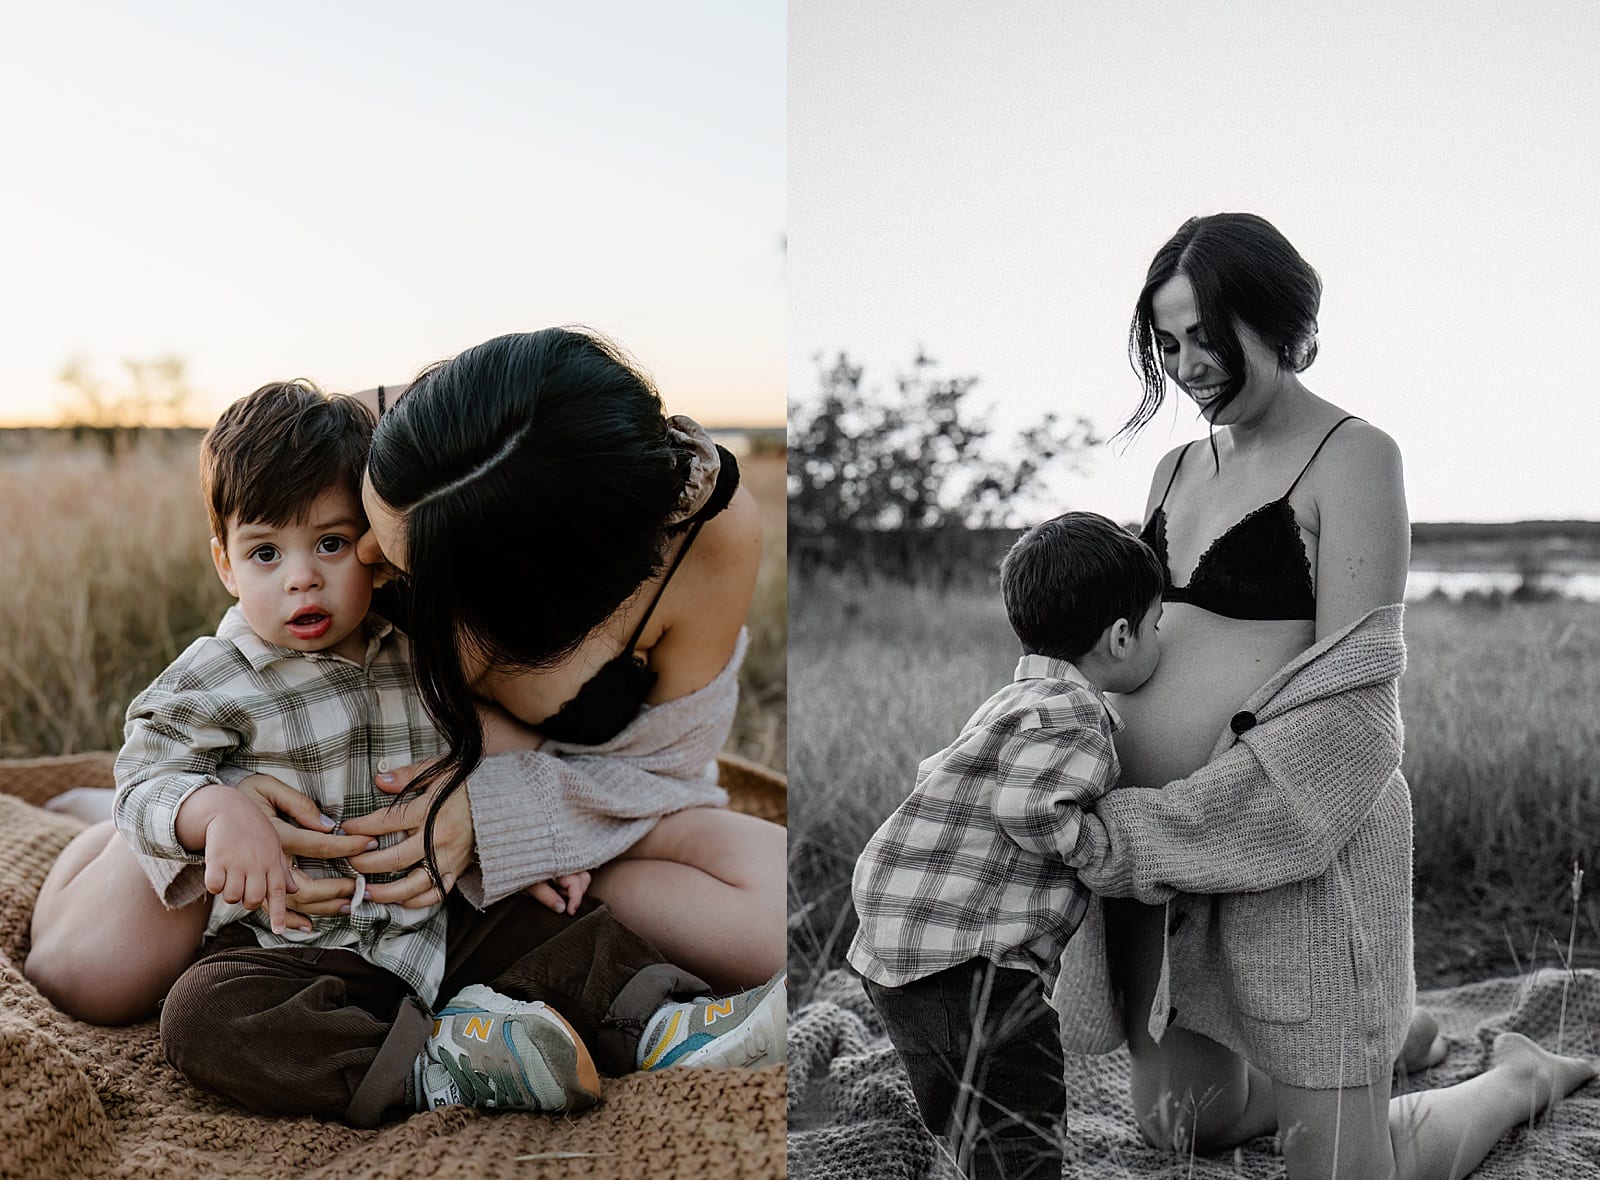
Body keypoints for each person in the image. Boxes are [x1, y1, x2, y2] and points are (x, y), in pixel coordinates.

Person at [66, 380, 785, 1123]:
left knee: (570, 933)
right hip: (301, 944)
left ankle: (665, 1022)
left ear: (370, 552)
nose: (303, 574)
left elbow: (485, 746)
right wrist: (212, 808)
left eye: (330, 545)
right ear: (225, 564)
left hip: (439, 915)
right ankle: (438, 1063)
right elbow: (146, 773)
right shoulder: (213, 676)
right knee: (208, 1013)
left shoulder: (413, 653)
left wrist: (544, 833)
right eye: (265, 553)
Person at [1050, 213, 1595, 1179]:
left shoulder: (1354, 455)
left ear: (1277, 319)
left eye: (1207, 339)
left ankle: (1517, 1074)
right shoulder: (1175, 468)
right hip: (1168, 880)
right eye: (1167, 343)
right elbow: (1119, 646)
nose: (1187, 366)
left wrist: (1160, 829)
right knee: (1180, 1128)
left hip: (1295, 840)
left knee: (1337, 1175)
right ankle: (1398, 1045)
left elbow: (1352, 697)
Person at [848, 512, 1165, 1180]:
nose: (1159, 637)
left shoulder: (1012, 701)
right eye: (1157, 625)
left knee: (966, 1118)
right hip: (971, 962)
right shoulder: (1076, 714)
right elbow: (1027, 808)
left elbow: (935, 777)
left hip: (903, 947)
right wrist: (1095, 846)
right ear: (1121, 635)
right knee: (1025, 1106)